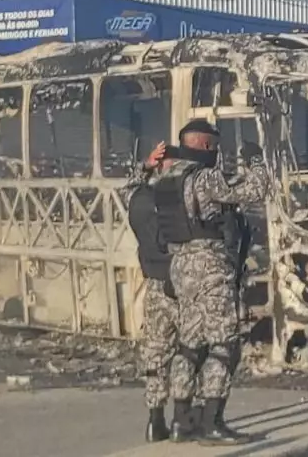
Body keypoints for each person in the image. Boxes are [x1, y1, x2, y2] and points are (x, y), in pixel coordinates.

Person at [148, 119, 267, 445]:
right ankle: (212, 422)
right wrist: (256, 162)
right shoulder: (205, 178)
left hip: (181, 267)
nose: (216, 153)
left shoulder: (165, 178)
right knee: (225, 345)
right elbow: (254, 192)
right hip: (210, 267)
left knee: (189, 346)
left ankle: (181, 422)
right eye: (214, 146)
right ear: (204, 146)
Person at [124, 142, 187, 443]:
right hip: (181, 286)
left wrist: (145, 165)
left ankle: (154, 420)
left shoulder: (138, 199)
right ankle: (182, 420)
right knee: (189, 350)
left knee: (157, 354)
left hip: (154, 285)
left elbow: (130, 185)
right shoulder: (177, 201)